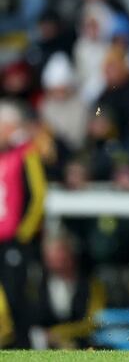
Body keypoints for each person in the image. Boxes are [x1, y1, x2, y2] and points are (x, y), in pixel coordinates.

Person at [0, 100, 48, 348]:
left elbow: (38, 195)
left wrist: (24, 232)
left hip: (14, 240)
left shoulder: (26, 153)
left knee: (16, 294)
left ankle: (24, 344)